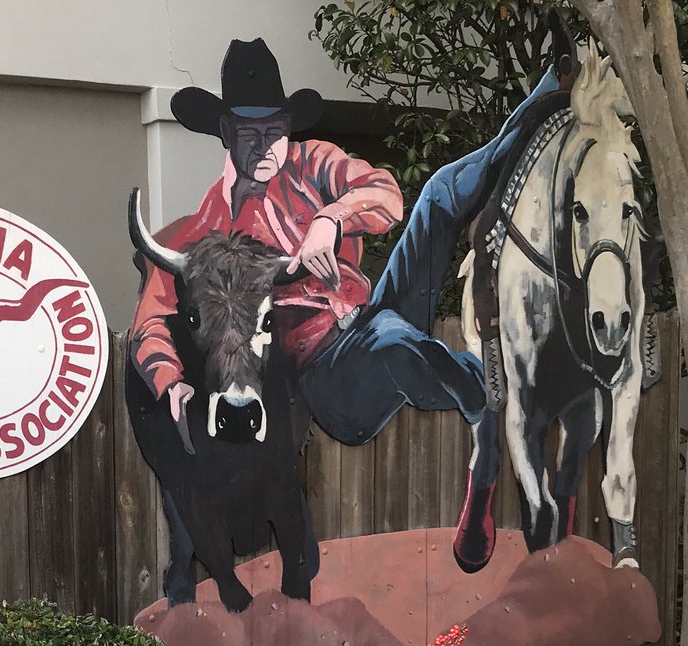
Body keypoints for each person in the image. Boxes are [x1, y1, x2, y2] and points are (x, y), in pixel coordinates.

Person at [130, 32, 577, 573]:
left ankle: (549, 93)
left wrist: (331, 218)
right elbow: (152, 318)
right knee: (393, 343)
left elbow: (385, 194)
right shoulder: (205, 230)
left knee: (438, 193)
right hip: (323, 374)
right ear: (225, 133)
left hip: (368, 314)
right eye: (248, 133)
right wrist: (169, 381)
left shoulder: (313, 163)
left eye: (275, 130)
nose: (265, 146)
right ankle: (489, 399)